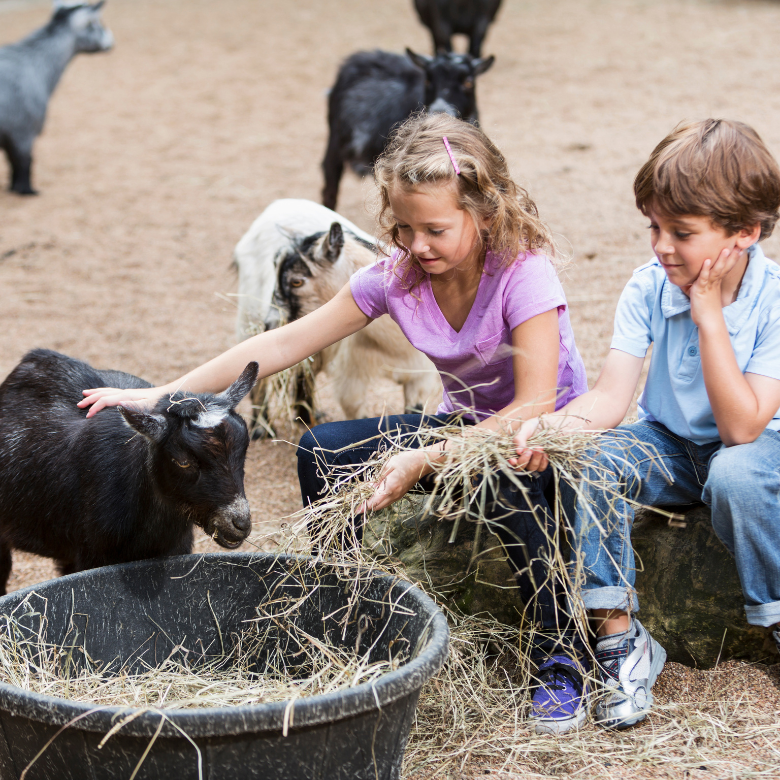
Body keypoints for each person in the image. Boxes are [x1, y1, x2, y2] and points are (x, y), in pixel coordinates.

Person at [79, 112, 590, 735]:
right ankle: (345, 617)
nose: (417, 244)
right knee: (323, 448)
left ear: (484, 214)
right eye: (403, 227)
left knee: (516, 482)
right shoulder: (399, 275)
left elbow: (533, 405)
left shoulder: (522, 271)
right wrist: (160, 393)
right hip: (458, 427)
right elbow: (284, 343)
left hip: (537, 438)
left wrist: (423, 460)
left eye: (435, 229)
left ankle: (561, 653)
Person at [512, 118, 780, 730]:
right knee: (594, 460)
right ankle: (621, 639)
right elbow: (610, 397)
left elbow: (742, 428)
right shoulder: (648, 287)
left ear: (745, 232)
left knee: (735, 476)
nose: (661, 246)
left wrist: (707, 314)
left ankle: (776, 619)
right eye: (654, 227)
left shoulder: (772, 301)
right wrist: (555, 429)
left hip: (761, 446)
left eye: (681, 232)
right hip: (672, 443)